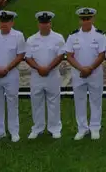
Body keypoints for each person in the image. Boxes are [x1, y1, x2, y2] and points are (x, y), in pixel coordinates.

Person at [0, 10, 27, 142]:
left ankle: (14, 131)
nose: (4, 24)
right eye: (2, 21)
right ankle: (0, 131)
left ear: (12, 22)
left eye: (7, 21)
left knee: (12, 102)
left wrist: (7, 69)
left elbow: (20, 55)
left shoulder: (18, 36)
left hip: (11, 74)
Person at [65, 7, 106, 140]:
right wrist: (81, 69)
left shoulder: (100, 35)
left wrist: (90, 69)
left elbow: (102, 55)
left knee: (96, 101)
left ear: (93, 19)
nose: (86, 21)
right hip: (78, 74)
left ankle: (95, 128)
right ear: (80, 20)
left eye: (88, 18)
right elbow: (69, 55)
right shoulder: (73, 36)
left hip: (95, 73)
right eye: (83, 19)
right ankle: (82, 128)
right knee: (79, 101)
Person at [25, 11, 66, 139]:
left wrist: (48, 68)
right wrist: (39, 68)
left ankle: (55, 128)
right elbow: (28, 57)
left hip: (52, 74)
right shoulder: (31, 39)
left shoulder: (58, 38)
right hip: (36, 75)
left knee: (54, 102)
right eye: (42, 23)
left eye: (47, 23)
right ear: (38, 24)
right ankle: (37, 128)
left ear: (50, 23)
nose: (44, 25)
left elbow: (60, 55)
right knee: (36, 102)